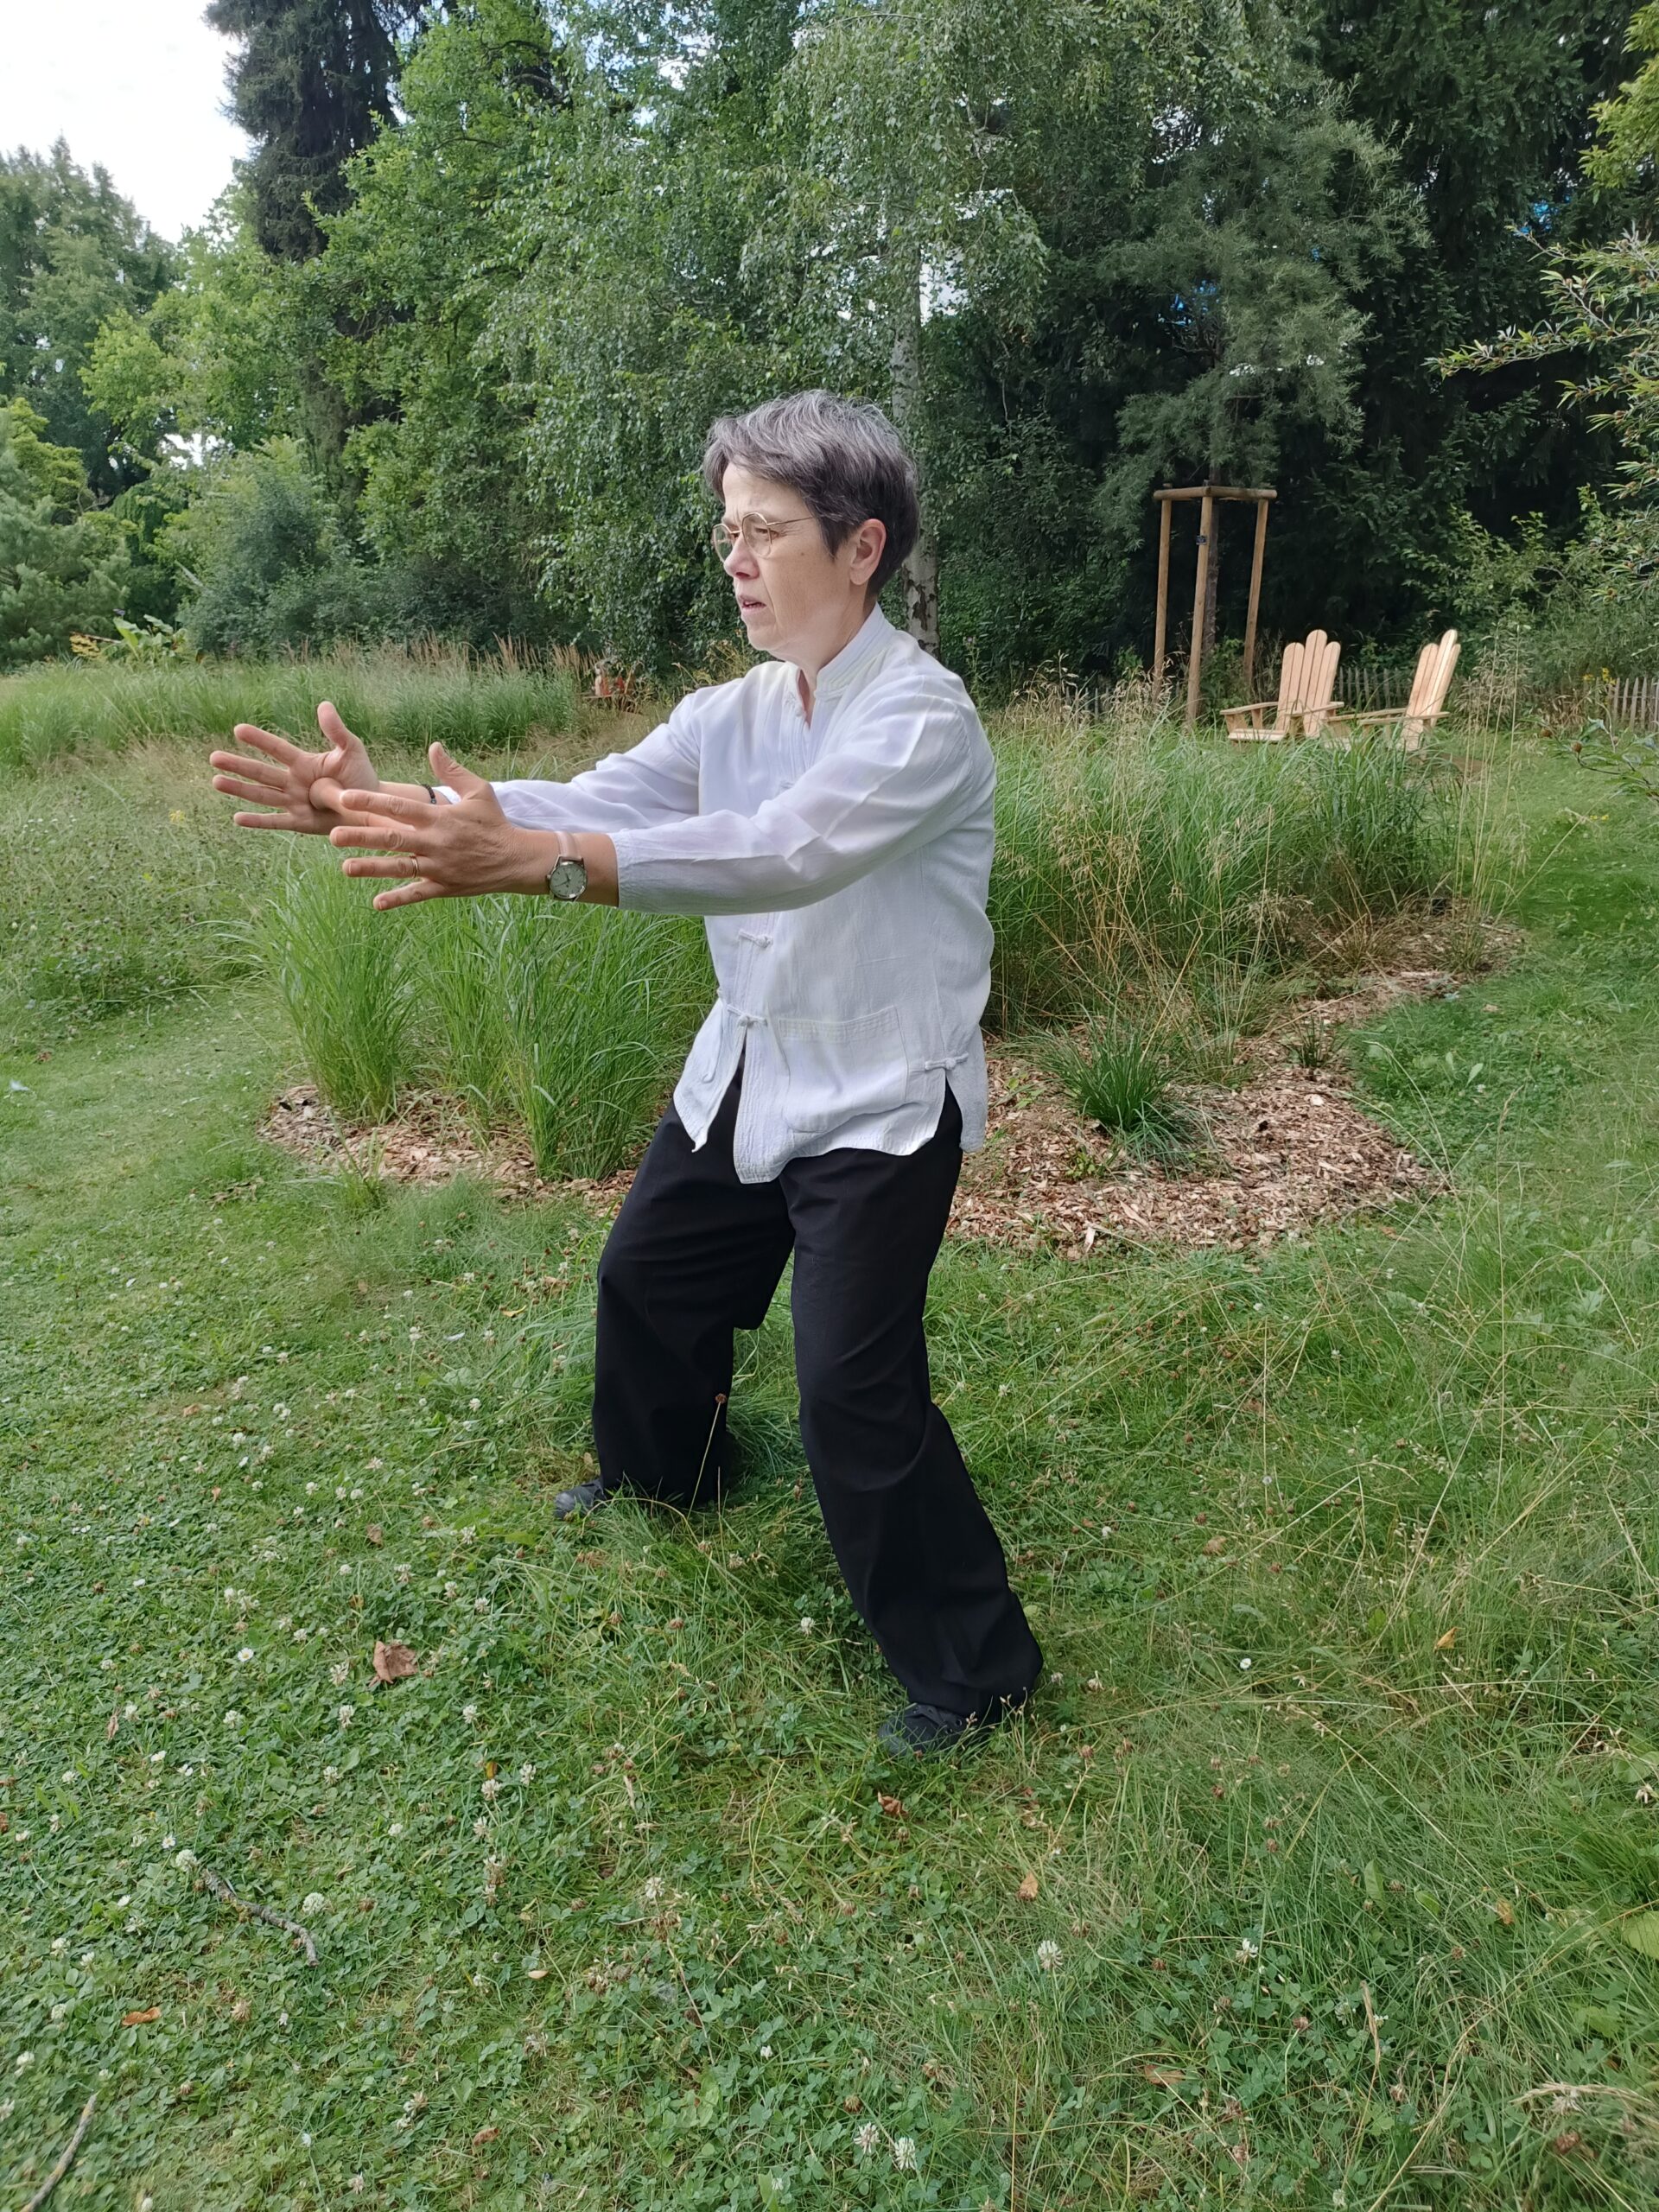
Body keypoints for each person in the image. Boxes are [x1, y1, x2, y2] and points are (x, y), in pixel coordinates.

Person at [208, 389, 1042, 1757]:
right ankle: (672, 1476)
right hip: (748, 1065)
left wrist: (535, 868)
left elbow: (783, 850)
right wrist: (380, 803)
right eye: (728, 530)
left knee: (853, 1387)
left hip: (885, 1097)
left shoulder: (921, 722)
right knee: (648, 1282)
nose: (735, 559)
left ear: (863, 548)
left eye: (766, 531)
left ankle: (975, 1672)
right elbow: (590, 801)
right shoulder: (730, 713)